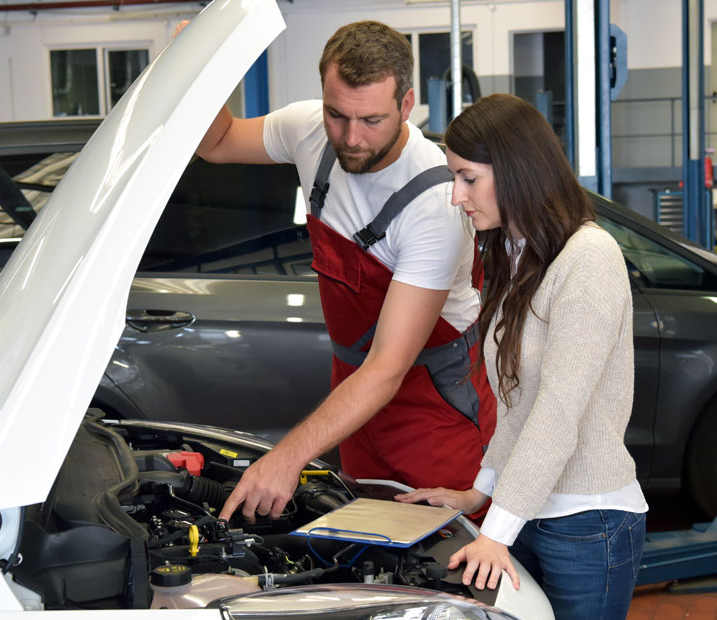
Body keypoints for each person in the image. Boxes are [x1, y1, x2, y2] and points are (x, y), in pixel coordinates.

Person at [194, 21, 496, 524]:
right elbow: (218, 141)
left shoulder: (434, 203)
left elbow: (387, 368)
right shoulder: (309, 129)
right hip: (354, 400)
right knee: (370, 554)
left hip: (433, 406)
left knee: (449, 572)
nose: (351, 139)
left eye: (372, 120)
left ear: (406, 105)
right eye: (337, 115)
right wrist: (203, 63)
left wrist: (287, 457)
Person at [396, 93, 647, 620]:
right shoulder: (520, 255)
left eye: (469, 178)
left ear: (515, 171)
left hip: (588, 522)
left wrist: (495, 531)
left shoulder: (589, 260)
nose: (457, 196)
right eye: (454, 179)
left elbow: (557, 413)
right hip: (529, 512)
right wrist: (477, 493)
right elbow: (519, 404)